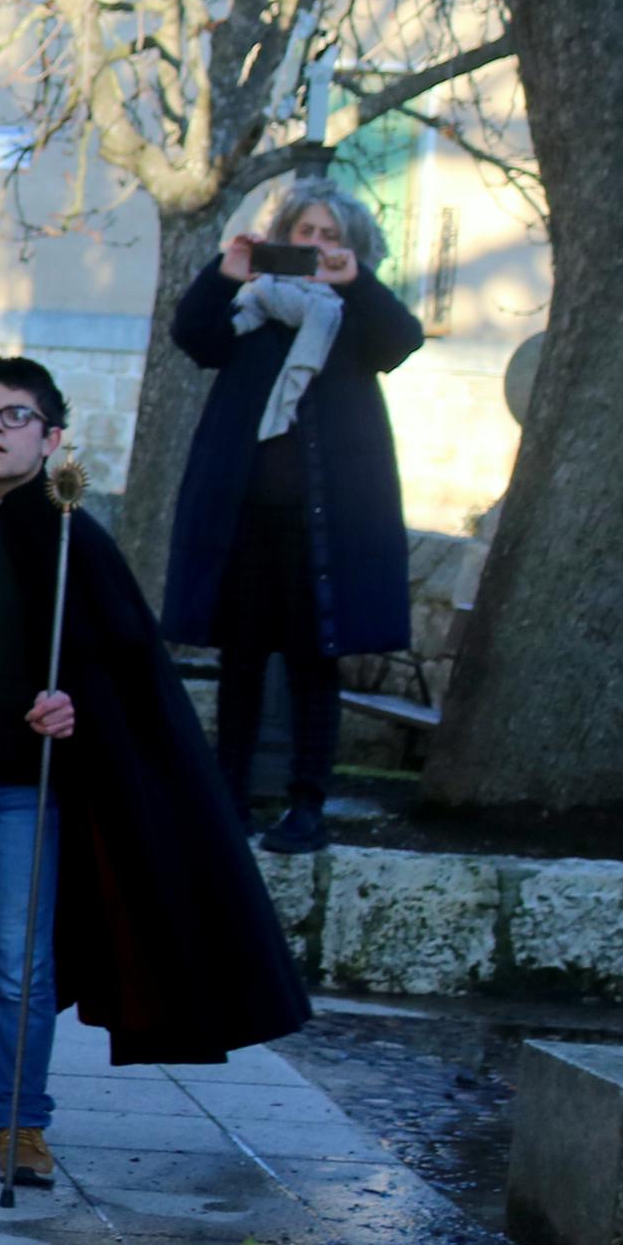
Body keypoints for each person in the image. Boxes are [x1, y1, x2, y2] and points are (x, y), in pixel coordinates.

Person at [0, 357, 307, 1184]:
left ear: (51, 435)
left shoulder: (74, 535)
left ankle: (19, 1124)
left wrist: (71, 708)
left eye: (14, 414)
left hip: (19, 790)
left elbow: (113, 681)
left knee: (21, 965)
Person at [160, 179, 425, 854]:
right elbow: (192, 335)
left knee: (314, 664)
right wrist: (223, 273)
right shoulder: (251, 311)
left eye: (329, 236)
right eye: (304, 234)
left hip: (324, 529)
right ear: (282, 238)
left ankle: (307, 806)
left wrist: (354, 282)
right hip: (245, 523)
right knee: (242, 661)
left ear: (351, 248)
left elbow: (403, 340)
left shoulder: (355, 321)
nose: (314, 246)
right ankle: (229, 799)